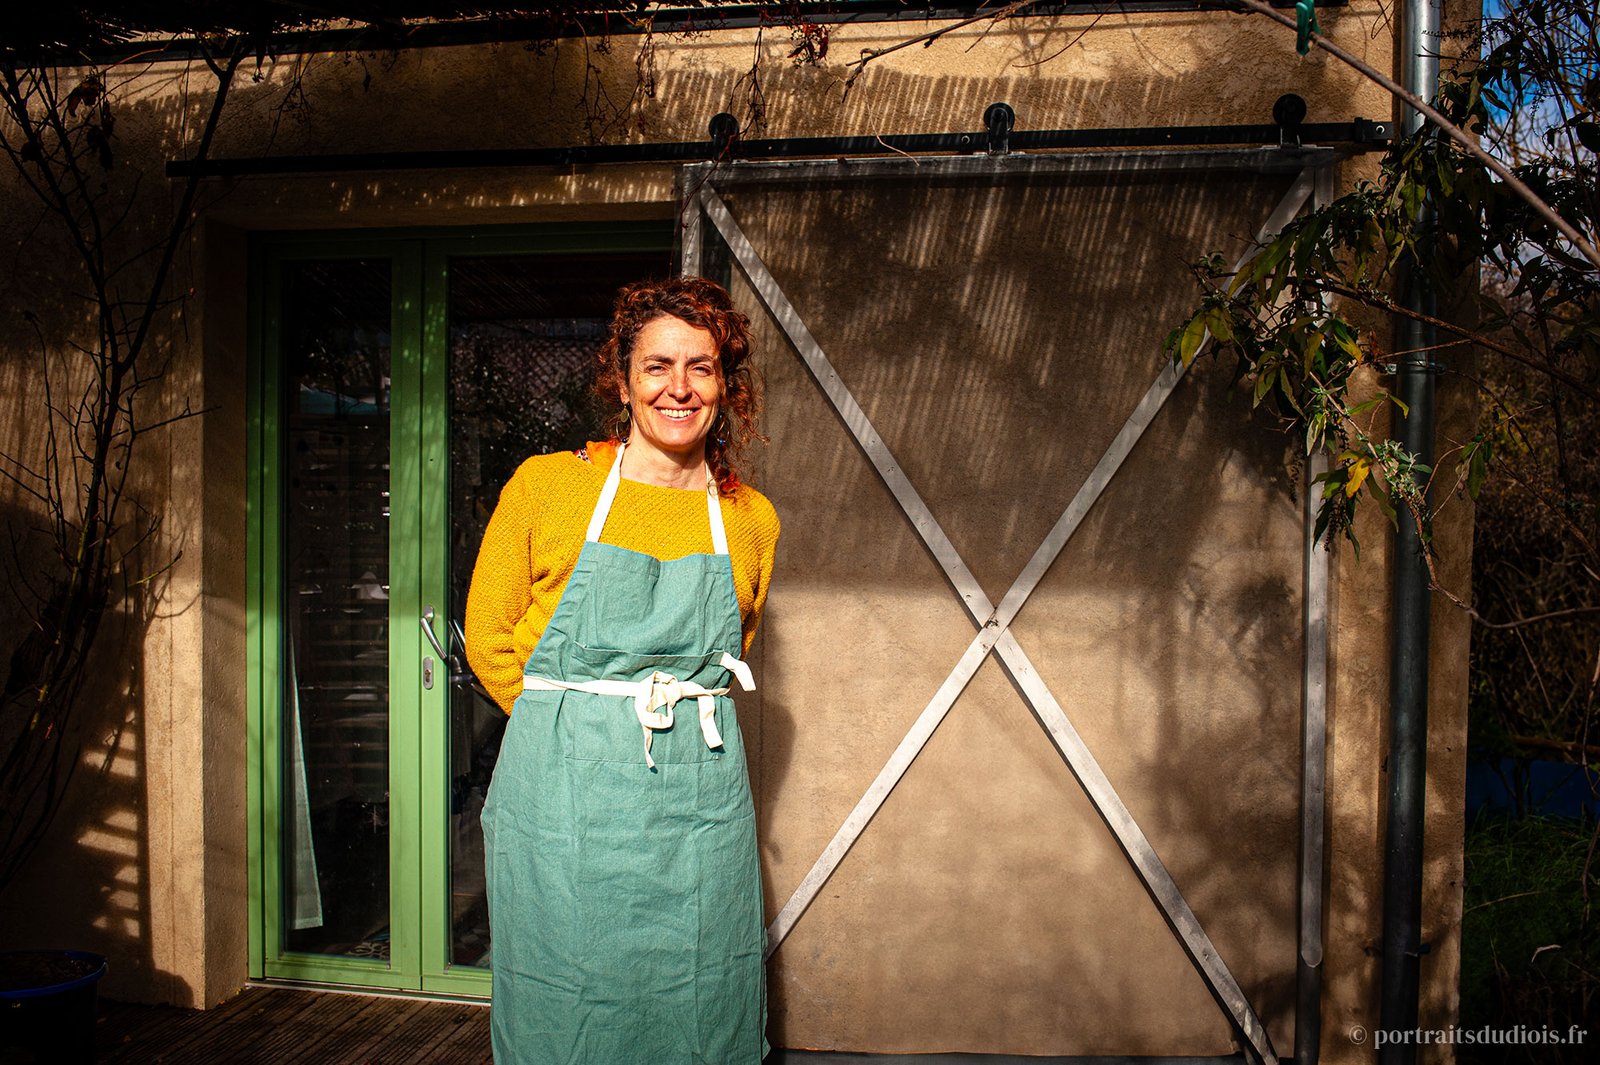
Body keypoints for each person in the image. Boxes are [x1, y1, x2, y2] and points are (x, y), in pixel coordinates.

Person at [465, 275, 780, 1065]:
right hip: (564, 796)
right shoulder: (548, 486)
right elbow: (489, 637)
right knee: (564, 998)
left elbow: (734, 643)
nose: (679, 388)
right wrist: (569, 723)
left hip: (698, 799)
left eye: (701, 367)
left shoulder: (750, 517)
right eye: (658, 366)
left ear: (724, 383)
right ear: (624, 378)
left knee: (701, 989)